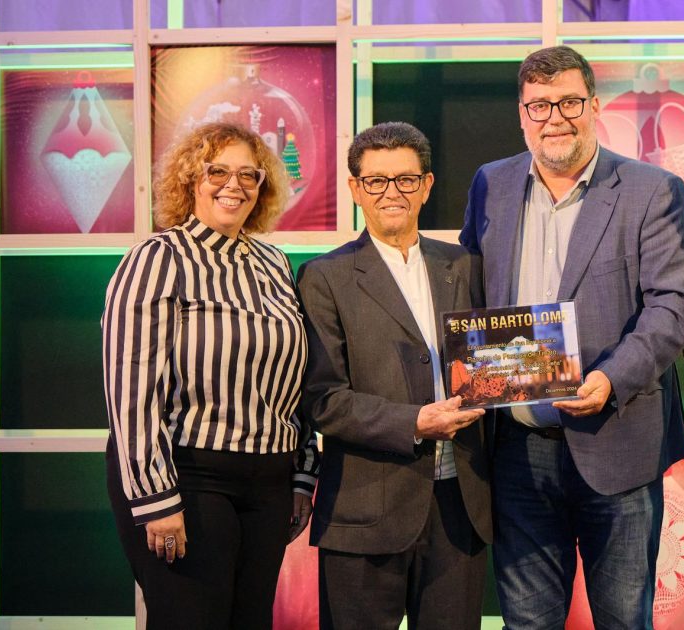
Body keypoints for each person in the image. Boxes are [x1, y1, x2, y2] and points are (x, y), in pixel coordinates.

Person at [460, 46, 684, 628]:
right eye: (539, 105)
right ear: (522, 114)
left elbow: (672, 308)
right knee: (527, 623)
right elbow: (468, 292)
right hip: (517, 452)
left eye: (568, 102)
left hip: (617, 443)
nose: (554, 118)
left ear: (593, 105)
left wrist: (610, 378)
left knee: (623, 620)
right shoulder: (491, 183)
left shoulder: (652, 189)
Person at [102, 122, 319, 630]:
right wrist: (155, 497)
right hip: (188, 477)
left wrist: (301, 474)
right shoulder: (158, 258)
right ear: (189, 179)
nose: (233, 185)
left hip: (269, 482)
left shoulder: (274, 263)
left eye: (249, 175)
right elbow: (132, 391)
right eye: (217, 171)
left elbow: (297, 381)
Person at [298, 121, 491, 630]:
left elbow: (496, 361)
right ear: (355, 188)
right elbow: (323, 399)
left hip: (460, 508)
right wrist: (415, 422)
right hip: (364, 511)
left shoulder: (466, 266)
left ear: (426, 186)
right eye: (377, 181)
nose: (392, 193)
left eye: (405, 179)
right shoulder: (324, 276)